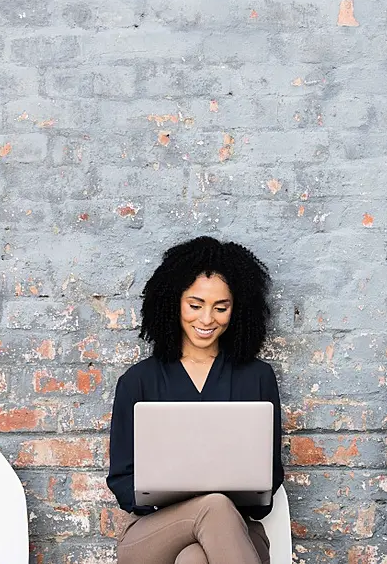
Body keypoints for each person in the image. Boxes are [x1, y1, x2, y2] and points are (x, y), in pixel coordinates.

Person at [106, 236, 283, 564]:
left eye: (221, 307)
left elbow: (269, 480)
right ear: (175, 302)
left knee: (194, 559)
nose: (206, 320)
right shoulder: (138, 381)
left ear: (237, 308)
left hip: (236, 532)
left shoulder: (257, 378)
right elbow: (121, 478)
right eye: (195, 305)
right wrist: (190, 498)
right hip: (154, 533)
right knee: (212, 505)